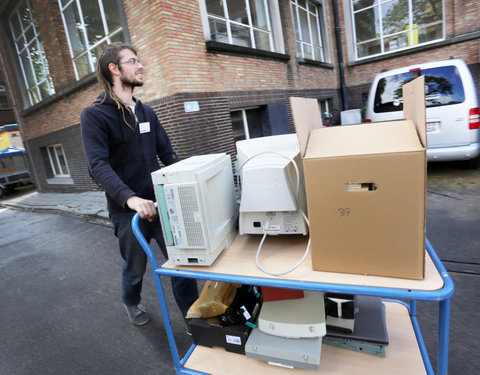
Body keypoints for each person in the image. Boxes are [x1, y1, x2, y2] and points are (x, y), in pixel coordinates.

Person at [80, 43, 198, 328]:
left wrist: (188, 182)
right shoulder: (95, 116)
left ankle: (195, 321)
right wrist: (130, 199)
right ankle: (131, 301)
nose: (140, 65)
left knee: (181, 264)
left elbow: (167, 154)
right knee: (135, 268)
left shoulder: (146, 112)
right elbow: (97, 166)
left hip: (160, 203)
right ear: (114, 69)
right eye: (132, 61)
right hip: (127, 211)